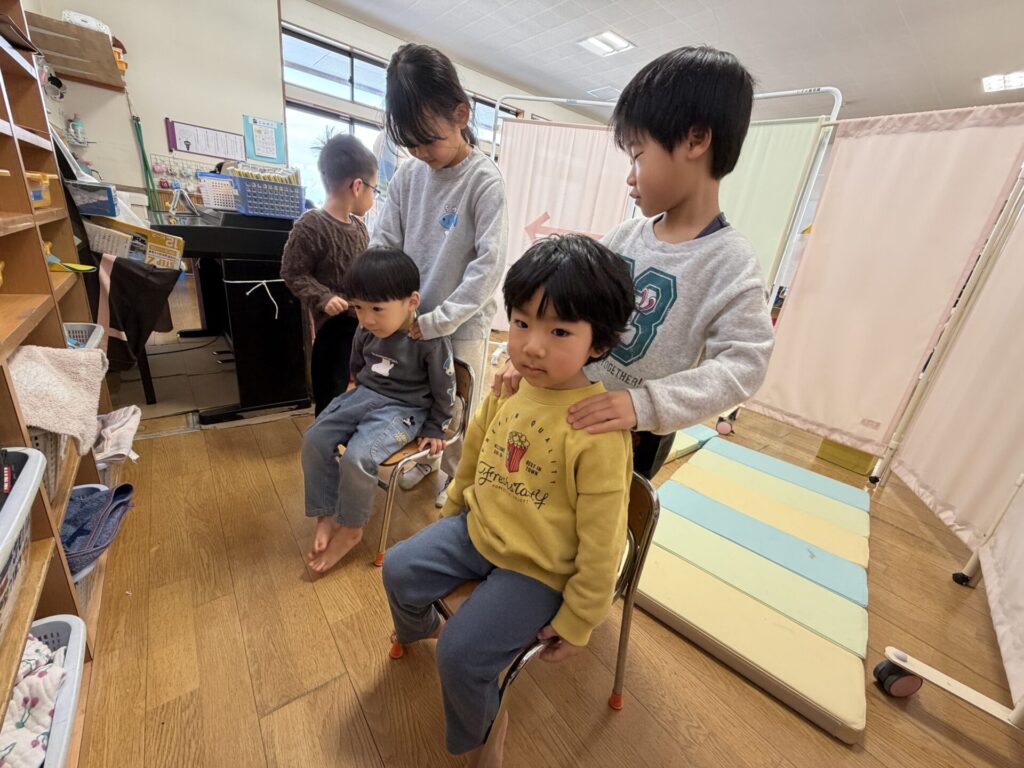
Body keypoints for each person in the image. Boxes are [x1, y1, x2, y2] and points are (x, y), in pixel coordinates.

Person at [382, 235, 635, 768]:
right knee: (399, 567)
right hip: (478, 529)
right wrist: (453, 508)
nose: (532, 345)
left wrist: (579, 620)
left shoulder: (598, 428)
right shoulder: (511, 385)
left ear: (599, 343)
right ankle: (420, 629)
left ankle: (486, 732)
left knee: (461, 655)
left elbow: (604, 540)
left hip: (538, 569)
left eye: (559, 331)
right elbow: (475, 451)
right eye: (521, 322)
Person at [493, 45, 775, 479]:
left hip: (636, 435)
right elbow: (560, 312)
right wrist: (531, 357)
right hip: (566, 400)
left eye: (638, 156)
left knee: (604, 518)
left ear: (696, 140)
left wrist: (643, 404)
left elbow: (744, 364)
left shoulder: (730, 261)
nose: (630, 175)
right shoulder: (624, 237)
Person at [372, 43, 508, 506]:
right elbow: (384, 244)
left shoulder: (484, 180)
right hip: (410, 321)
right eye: (411, 143)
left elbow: (488, 267)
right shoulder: (409, 176)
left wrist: (438, 320)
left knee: (459, 407)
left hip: (460, 324)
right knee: (419, 397)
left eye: (429, 139)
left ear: (461, 114)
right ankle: (426, 460)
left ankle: (456, 476)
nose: (420, 152)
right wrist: (381, 304)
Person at [300, 247, 455, 573]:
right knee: (314, 438)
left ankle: (351, 528)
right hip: (364, 395)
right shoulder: (365, 329)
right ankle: (326, 513)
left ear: (411, 302)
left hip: (404, 408)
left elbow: (445, 387)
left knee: (358, 457)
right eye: (358, 307)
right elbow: (357, 365)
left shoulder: (429, 338)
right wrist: (354, 401)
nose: (366, 319)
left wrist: (436, 426)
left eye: (377, 309)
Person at [281, 134, 378, 415]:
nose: (374, 196)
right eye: (374, 189)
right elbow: (292, 271)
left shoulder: (360, 228)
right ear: (358, 186)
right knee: (330, 391)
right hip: (333, 329)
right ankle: (325, 435)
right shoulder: (311, 224)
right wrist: (323, 297)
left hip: (363, 325)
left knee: (364, 385)